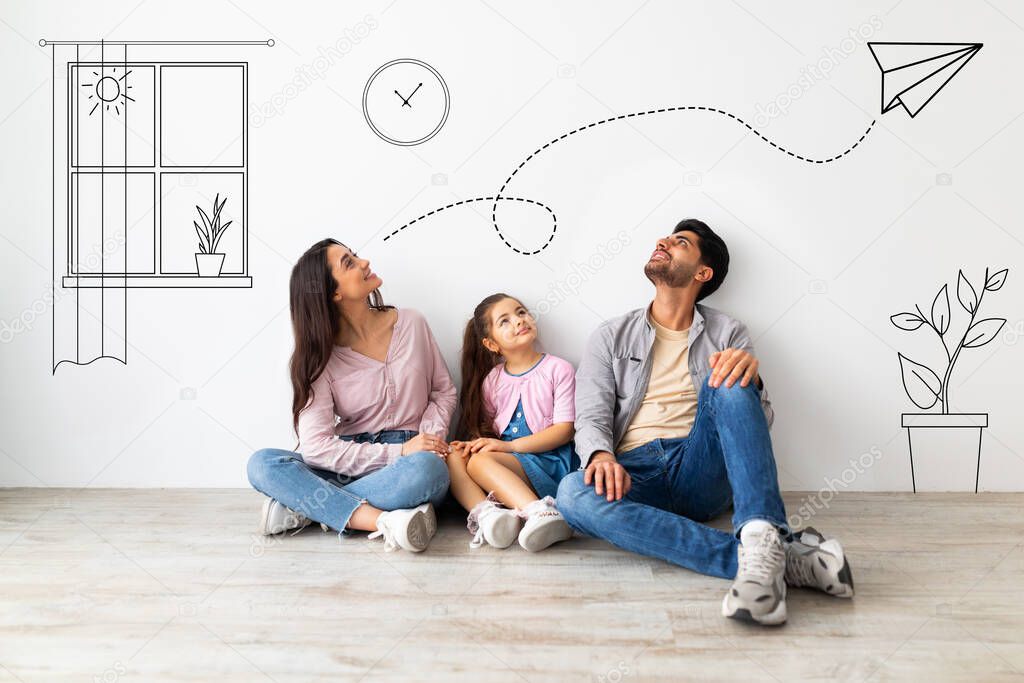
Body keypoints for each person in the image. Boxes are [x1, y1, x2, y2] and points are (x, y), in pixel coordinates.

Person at [557, 219, 854, 626]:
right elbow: (590, 413)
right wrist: (600, 456)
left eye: (679, 242)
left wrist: (751, 379)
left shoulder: (729, 331)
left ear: (702, 273)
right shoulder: (610, 335)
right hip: (634, 472)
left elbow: (755, 422)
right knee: (572, 492)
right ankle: (769, 557)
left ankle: (760, 531)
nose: (662, 241)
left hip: (701, 466)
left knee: (730, 378)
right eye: (666, 237)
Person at [246, 238, 455, 552]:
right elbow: (316, 448)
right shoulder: (319, 358)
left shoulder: (412, 322)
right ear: (334, 293)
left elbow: (443, 391)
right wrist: (395, 454)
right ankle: (381, 520)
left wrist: (426, 442)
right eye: (350, 262)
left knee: (429, 471)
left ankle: (306, 508)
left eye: (355, 255)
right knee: (262, 464)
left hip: (410, 462)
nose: (364, 262)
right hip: (346, 461)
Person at [447, 294, 579, 552]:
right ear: (491, 344)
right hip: (511, 463)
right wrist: (475, 445)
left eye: (521, 312)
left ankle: (541, 512)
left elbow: (565, 431)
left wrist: (508, 448)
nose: (519, 321)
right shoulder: (492, 380)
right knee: (455, 455)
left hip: (549, 460)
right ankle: (490, 517)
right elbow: (493, 433)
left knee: (481, 461)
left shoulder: (558, 369)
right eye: (504, 321)